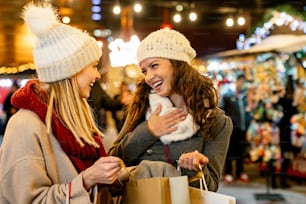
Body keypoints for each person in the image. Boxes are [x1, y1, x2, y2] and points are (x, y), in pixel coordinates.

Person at [0, 3, 126, 204]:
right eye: (92, 66)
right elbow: (28, 200)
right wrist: (86, 180)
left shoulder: (75, 119)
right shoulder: (25, 126)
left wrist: (117, 172)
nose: (96, 75)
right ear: (69, 71)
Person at [108, 28, 233, 191]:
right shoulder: (142, 106)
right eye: (144, 70)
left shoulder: (216, 121)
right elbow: (113, 159)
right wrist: (148, 131)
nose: (149, 77)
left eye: (154, 66)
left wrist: (191, 168)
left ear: (178, 64)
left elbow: (210, 187)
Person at [219, 73, 252, 183]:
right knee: (229, 151)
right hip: (232, 129)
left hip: (242, 129)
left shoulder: (244, 96)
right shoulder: (228, 95)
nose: (242, 84)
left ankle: (240, 172)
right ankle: (228, 173)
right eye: (240, 81)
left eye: (244, 82)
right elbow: (221, 110)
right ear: (236, 81)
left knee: (241, 151)